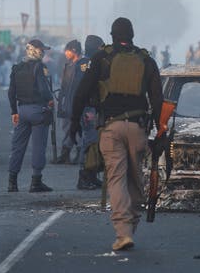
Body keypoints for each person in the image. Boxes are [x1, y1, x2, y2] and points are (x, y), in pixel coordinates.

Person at [71, 18, 163, 251]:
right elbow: (157, 98)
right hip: (137, 126)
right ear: (132, 35)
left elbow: (82, 92)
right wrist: (161, 129)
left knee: (116, 179)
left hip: (111, 128)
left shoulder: (101, 58)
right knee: (135, 179)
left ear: (112, 35)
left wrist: (74, 122)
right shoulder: (146, 60)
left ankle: (123, 232)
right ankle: (131, 224)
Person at [7, 39, 55, 193]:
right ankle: (36, 182)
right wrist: (50, 100)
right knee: (38, 147)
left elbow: (11, 92)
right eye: (41, 50)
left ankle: (12, 182)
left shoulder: (17, 68)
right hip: (37, 110)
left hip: (22, 110)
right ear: (36, 51)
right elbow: (43, 89)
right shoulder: (39, 67)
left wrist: (14, 111)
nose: (43, 52)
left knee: (17, 147)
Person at [76, 35, 105, 190]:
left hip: (91, 108)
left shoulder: (86, 62)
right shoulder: (87, 64)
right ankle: (84, 177)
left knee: (95, 143)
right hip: (89, 109)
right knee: (89, 143)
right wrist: (88, 108)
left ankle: (92, 175)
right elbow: (85, 89)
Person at [56, 40, 89, 165]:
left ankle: (79, 154)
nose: (65, 53)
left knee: (79, 129)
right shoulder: (68, 65)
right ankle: (66, 153)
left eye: (67, 50)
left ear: (74, 50)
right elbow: (64, 86)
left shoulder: (83, 65)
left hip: (79, 104)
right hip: (68, 103)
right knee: (67, 128)